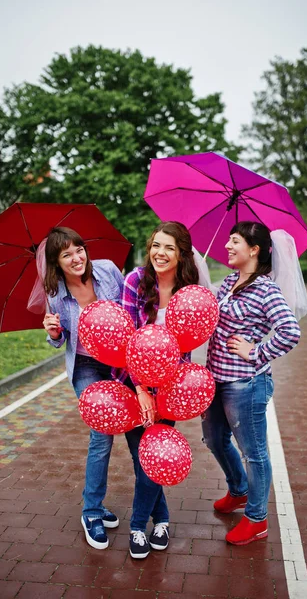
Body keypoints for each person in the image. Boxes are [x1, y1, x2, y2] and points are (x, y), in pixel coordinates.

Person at [202, 221, 302, 546]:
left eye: (234, 242)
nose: (228, 247)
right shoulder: (230, 281)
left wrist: (255, 351)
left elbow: (290, 331)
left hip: (246, 384)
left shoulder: (266, 289)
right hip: (216, 379)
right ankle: (239, 490)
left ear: (254, 249)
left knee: (255, 453)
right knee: (214, 439)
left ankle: (257, 519)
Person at [118, 221, 199, 559]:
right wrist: (140, 389)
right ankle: (157, 521)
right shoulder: (135, 281)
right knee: (143, 461)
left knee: (155, 459)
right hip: (131, 386)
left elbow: (187, 348)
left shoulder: (188, 290)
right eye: (156, 245)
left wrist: (167, 392)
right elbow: (124, 339)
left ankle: (140, 526)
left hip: (169, 392)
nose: (160, 253)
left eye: (169, 248)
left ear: (181, 255)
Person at [41, 226, 124, 550]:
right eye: (66, 254)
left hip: (119, 362)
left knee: (129, 434)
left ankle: (98, 504)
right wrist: (52, 332)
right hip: (87, 367)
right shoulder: (55, 294)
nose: (77, 258)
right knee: (102, 435)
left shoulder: (107, 270)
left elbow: (128, 310)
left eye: (79, 249)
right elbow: (59, 340)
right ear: (57, 262)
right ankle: (91, 512)